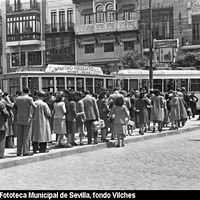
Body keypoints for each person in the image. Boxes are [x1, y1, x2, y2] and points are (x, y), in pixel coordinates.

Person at [14, 87, 37, 156]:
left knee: (19, 136)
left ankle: (19, 151)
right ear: (29, 91)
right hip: (27, 118)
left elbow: (14, 108)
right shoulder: (29, 99)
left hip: (19, 118)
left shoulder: (17, 99)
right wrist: (33, 115)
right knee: (26, 136)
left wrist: (15, 116)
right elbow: (35, 106)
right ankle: (25, 151)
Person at [0, 89, 9, 159]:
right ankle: (1, 155)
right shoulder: (2, 103)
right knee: (2, 140)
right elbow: (5, 113)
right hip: (2, 124)